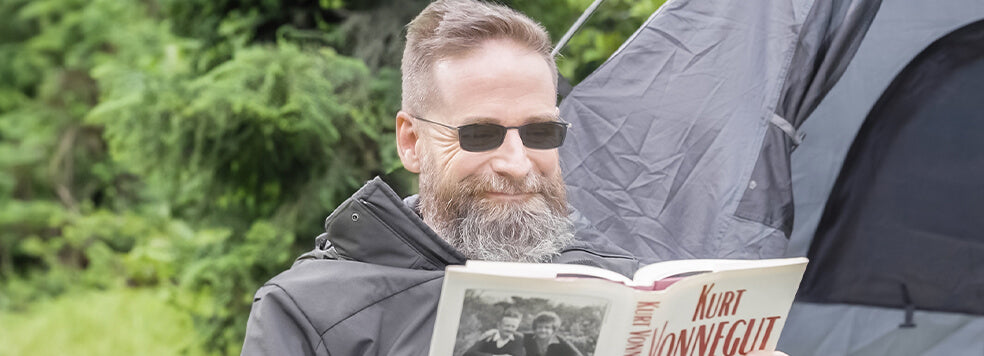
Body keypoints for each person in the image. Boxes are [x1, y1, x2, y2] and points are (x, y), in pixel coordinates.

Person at [240, 1, 790, 355]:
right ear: (411, 141)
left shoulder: (617, 286)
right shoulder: (310, 310)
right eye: (480, 135)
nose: (517, 162)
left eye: (540, 133)